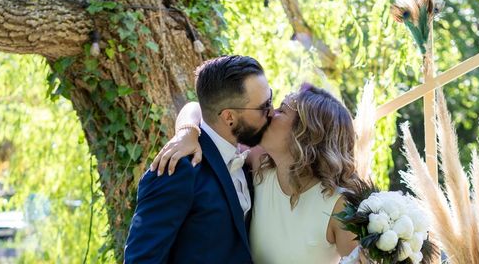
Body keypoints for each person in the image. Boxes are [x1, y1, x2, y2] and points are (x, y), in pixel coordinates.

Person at [152, 83, 363, 264]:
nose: (270, 112)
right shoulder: (262, 163)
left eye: (282, 110)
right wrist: (187, 131)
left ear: (307, 134)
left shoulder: (339, 206)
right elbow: (198, 108)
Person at [123, 55, 273, 264]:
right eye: (264, 106)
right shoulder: (178, 169)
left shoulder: (250, 157)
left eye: (271, 98)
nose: (272, 112)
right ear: (229, 117)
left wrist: (187, 129)